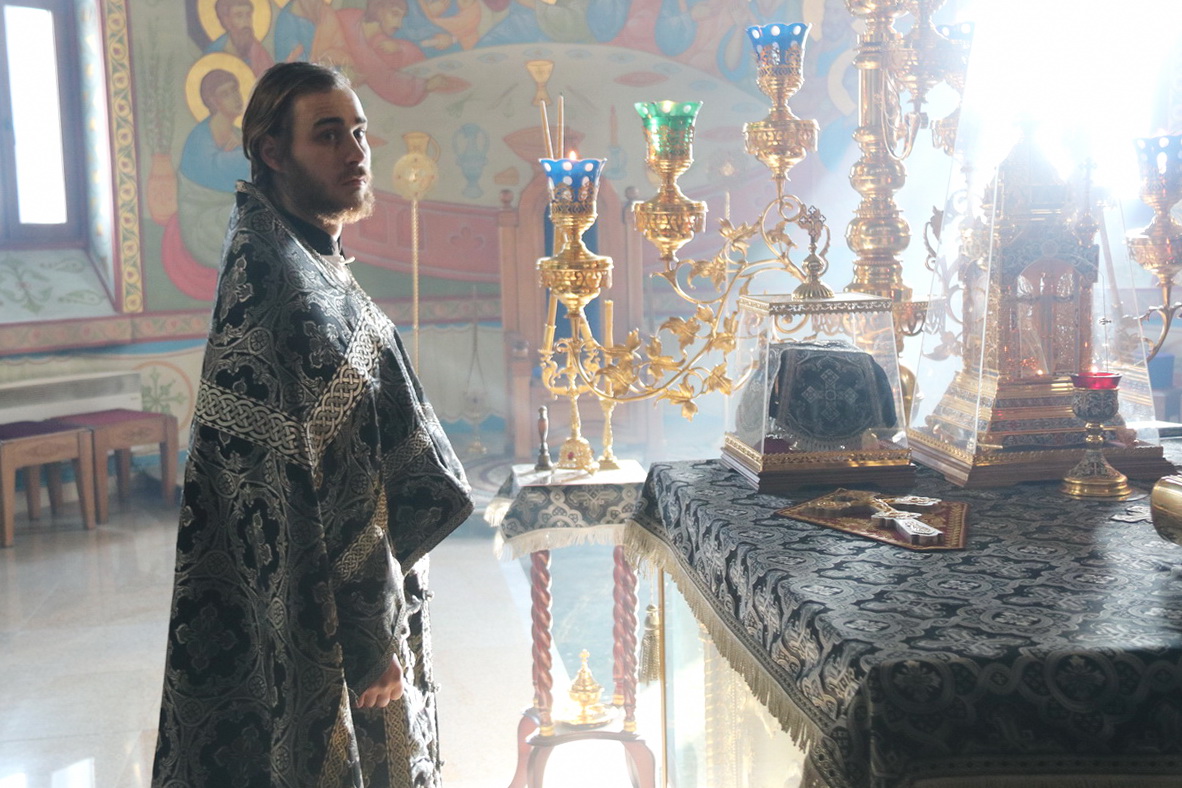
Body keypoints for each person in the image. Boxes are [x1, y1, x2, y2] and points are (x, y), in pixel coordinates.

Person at [152, 61, 473, 787]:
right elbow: (338, 485)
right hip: (329, 618)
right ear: (272, 151)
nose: (356, 152)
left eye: (359, 131)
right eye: (328, 136)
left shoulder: (293, 251)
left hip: (320, 599)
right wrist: (371, 638)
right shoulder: (284, 283)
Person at [205, 0, 275, 76]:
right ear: (226, 21)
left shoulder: (259, 51)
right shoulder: (215, 52)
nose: (246, 21)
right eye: (239, 16)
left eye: (248, 15)